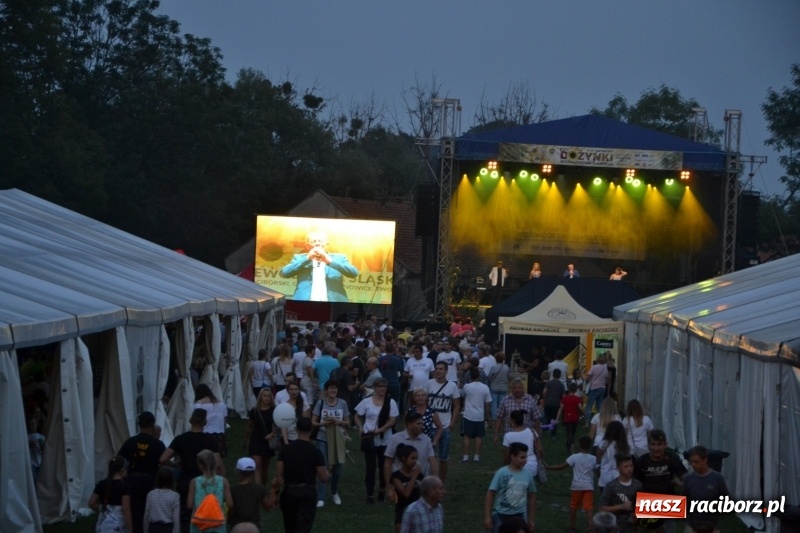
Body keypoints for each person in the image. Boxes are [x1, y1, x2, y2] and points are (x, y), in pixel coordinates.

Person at [160, 408, 222, 532]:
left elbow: (163, 459)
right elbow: (218, 464)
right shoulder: (210, 440)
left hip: (185, 480)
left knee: (185, 514)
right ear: (205, 422)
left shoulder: (181, 439)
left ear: (191, 421)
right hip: (205, 482)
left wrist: (175, 465)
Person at [276, 417, 329, 533]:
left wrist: (275, 494)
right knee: (303, 528)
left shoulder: (285, 450)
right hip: (307, 493)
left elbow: (279, 476)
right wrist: (328, 473)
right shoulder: (315, 452)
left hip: (289, 492)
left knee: (290, 527)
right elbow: (323, 478)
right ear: (311, 430)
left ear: (296, 429)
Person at [117, 411, 166, 533]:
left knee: (133, 509)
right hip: (150, 481)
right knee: (148, 510)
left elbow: (119, 460)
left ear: (139, 424)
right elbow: (164, 462)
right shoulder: (158, 444)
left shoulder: (130, 442)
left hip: (131, 480)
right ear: (153, 424)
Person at [278, 230, 359, 302]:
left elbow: (354, 273)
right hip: (304, 302)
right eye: (313, 241)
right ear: (307, 245)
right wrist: (307, 259)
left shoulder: (339, 257)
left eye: (320, 241)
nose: (317, 243)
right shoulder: (299, 258)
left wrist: (330, 261)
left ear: (327, 244)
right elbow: (284, 273)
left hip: (334, 302)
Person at [355, 378, 399, 503]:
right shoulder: (367, 402)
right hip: (369, 438)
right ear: (374, 387)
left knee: (384, 465)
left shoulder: (391, 403)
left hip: (385, 438)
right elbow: (357, 416)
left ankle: (382, 489)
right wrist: (360, 427)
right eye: (379, 386)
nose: (382, 389)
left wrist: (379, 431)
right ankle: (370, 494)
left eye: (384, 386)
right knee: (370, 466)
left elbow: (392, 421)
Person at [634, 429, 687, 533]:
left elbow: (685, 476)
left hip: (668, 502)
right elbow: (634, 484)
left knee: (669, 531)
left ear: (665, 445)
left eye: (659, 444)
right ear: (648, 445)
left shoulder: (672, 458)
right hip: (646, 502)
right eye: (653, 444)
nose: (656, 448)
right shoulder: (642, 461)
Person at [311, 379, 350, 507]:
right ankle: (321, 496)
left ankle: (334, 492)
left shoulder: (342, 403)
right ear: (326, 391)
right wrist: (323, 423)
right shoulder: (320, 403)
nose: (333, 391)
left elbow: (348, 422)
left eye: (335, 388)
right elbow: (313, 422)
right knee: (324, 466)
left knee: (337, 469)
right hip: (323, 438)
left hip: (338, 440)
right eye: (330, 388)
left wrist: (340, 422)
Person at [546, 435, 597, 533]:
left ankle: (572, 528)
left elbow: (562, 466)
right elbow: (598, 470)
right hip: (588, 486)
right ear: (590, 446)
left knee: (573, 506)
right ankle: (591, 528)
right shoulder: (593, 458)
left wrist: (549, 467)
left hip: (576, 486)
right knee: (589, 507)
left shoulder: (574, 457)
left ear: (579, 445)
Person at [384, 412, 438, 503]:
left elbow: (433, 462)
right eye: (418, 424)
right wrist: (389, 487)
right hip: (401, 484)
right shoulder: (395, 439)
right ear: (409, 424)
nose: (422, 426)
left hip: (420, 484)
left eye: (422, 424)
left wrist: (435, 482)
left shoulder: (426, 440)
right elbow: (387, 463)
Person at [483, 442, 537, 533]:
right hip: (500, 514)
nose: (525, 460)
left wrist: (531, 519)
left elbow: (532, 495)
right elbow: (490, 493)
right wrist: (487, 516)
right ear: (512, 457)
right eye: (522, 457)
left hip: (519, 515)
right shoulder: (501, 472)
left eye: (526, 457)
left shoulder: (528, 474)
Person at [425, 362, 461, 485]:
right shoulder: (429, 384)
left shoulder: (452, 386)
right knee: (430, 457)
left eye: (441, 369)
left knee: (444, 457)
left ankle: (441, 483)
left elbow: (457, 405)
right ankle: (430, 482)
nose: (438, 371)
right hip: (430, 425)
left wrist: (452, 422)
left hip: (445, 426)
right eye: (437, 369)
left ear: (446, 371)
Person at [682, 446, 730, 533]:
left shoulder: (717, 478)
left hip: (712, 525)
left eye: (696, 462)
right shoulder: (688, 479)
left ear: (705, 460)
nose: (693, 465)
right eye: (691, 462)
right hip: (692, 525)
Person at [227, 457, 280, 531]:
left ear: (238, 471)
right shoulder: (259, 488)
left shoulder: (233, 489)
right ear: (253, 471)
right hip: (253, 526)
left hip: (237, 526)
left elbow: (229, 510)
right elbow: (268, 506)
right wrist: (273, 489)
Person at [186, 450, 232, 533]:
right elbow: (230, 503)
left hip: (199, 524)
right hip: (217, 523)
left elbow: (189, 505)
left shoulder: (194, 482)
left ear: (200, 466)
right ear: (214, 464)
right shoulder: (223, 481)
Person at [599, 454, 642, 533]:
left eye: (631, 466)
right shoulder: (611, 486)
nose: (629, 469)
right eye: (625, 466)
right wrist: (621, 506)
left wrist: (637, 516)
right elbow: (602, 509)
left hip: (633, 529)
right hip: (615, 528)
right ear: (618, 468)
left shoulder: (638, 485)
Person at [89, 456, 133, 533]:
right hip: (118, 525)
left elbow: (91, 502)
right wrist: (130, 527)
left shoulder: (101, 483)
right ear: (122, 470)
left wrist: (101, 509)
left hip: (102, 524)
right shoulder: (124, 487)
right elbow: (125, 509)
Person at [243, 388, 277, 484]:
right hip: (256, 440)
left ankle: (262, 488)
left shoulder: (274, 411)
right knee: (257, 467)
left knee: (265, 468)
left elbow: (278, 426)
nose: (266, 398)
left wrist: (272, 434)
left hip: (268, 441)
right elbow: (249, 427)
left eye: (268, 396)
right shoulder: (254, 411)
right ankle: (258, 489)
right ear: (260, 397)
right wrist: (246, 440)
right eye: (264, 396)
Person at [460, 367, 491, 464]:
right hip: (479, 416)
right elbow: (487, 403)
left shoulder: (467, 386)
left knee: (466, 436)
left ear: (470, 376)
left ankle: (465, 457)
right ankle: (476, 457)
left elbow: (462, 395)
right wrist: (487, 416)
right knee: (478, 436)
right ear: (479, 376)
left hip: (468, 415)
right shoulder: (485, 387)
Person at [391, 444, 423, 533]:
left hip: (418, 513)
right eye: (412, 458)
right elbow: (406, 494)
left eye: (416, 459)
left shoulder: (420, 475)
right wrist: (414, 475)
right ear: (404, 458)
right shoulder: (396, 476)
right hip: (403, 512)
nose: (415, 461)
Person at [502, 410, 542, 481]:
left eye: (509, 419)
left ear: (513, 421)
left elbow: (506, 457)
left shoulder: (508, 436)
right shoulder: (532, 431)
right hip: (532, 466)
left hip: (517, 466)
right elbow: (540, 449)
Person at [194, 384, 228, 458]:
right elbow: (224, 421)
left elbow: (197, 422)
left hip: (204, 434)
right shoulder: (222, 404)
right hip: (219, 434)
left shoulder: (199, 404)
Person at [143, 467, 180, 533]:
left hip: (153, 527)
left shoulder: (151, 494)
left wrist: (145, 530)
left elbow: (147, 515)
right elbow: (176, 518)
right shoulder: (175, 496)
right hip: (167, 528)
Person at [597, 421, 630, 491]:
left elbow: (598, 459)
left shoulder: (604, 443)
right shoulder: (624, 445)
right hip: (620, 476)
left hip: (605, 476)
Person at [558, 382, 583, 454]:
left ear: (568, 389)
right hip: (575, 418)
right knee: (573, 432)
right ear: (576, 390)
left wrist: (557, 418)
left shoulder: (565, 398)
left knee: (569, 432)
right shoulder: (577, 399)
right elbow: (580, 408)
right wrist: (584, 413)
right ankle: (571, 445)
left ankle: (569, 445)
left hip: (567, 418)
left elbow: (561, 408)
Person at [487, 351, 510, 422]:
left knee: (494, 403)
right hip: (503, 387)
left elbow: (489, 377)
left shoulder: (494, 367)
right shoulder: (506, 367)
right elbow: (508, 377)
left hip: (494, 386)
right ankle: (502, 417)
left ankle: (494, 418)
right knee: (502, 403)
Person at [585, 354, 609, 422]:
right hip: (602, 388)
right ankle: (601, 420)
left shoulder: (594, 367)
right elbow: (607, 381)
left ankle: (588, 422)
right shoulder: (605, 368)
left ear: (597, 360)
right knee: (599, 405)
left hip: (594, 388)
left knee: (589, 406)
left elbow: (588, 378)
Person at [542, 368, 566, 437]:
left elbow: (544, 392)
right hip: (556, 404)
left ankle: (545, 429)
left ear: (552, 375)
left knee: (547, 417)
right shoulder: (561, 385)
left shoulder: (549, 383)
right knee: (555, 418)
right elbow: (563, 396)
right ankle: (553, 434)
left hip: (548, 403)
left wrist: (544, 399)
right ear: (560, 375)